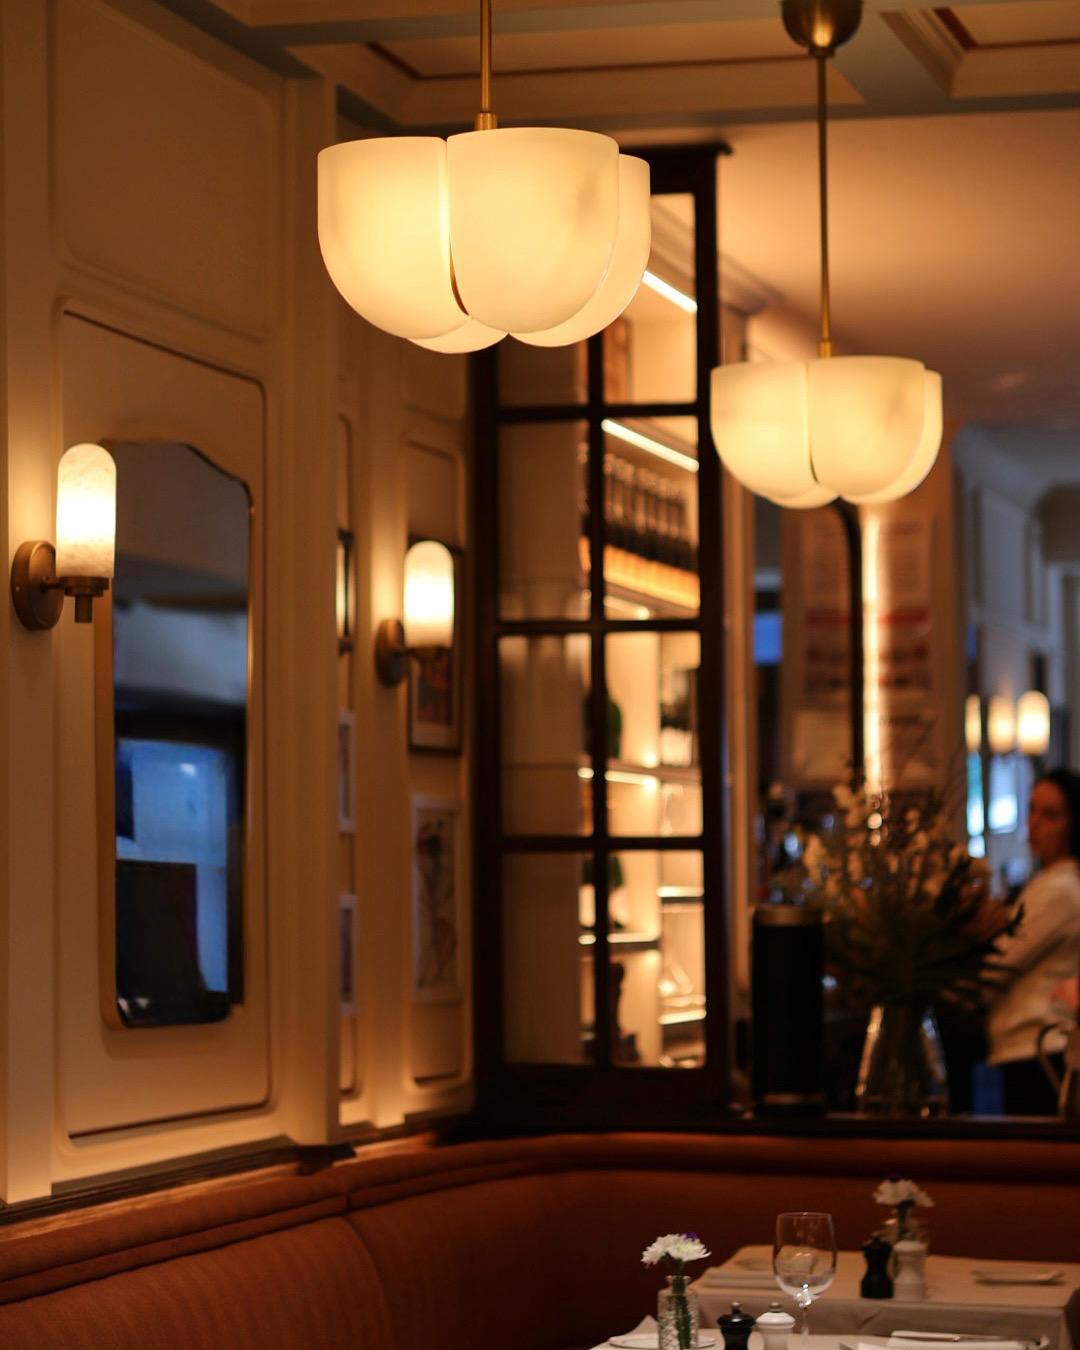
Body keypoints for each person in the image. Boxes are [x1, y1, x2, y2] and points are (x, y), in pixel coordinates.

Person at [987, 769, 1080, 1114]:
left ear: (1072, 824)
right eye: (1031, 809)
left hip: (1039, 1046)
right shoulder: (1049, 882)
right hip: (1031, 1046)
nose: (1035, 823)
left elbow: (1000, 963)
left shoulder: (1059, 888)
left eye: (1050, 814)